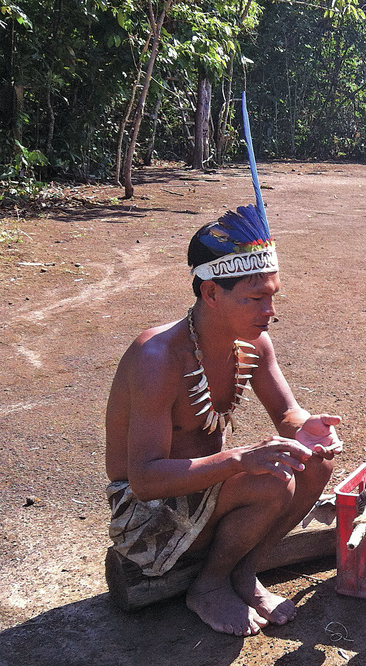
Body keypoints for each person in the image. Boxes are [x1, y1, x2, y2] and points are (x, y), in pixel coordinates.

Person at [104, 202, 343, 636]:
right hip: (146, 516)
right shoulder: (157, 358)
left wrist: (305, 428)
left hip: (208, 495)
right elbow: (144, 480)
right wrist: (239, 460)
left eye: (273, 296)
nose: (270, 311)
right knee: (272, 478)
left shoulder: (254, 342)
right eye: (256, 298)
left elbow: (287, 413)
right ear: (211, 293)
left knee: (317, 461)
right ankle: (209, 585)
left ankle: (243, 571)